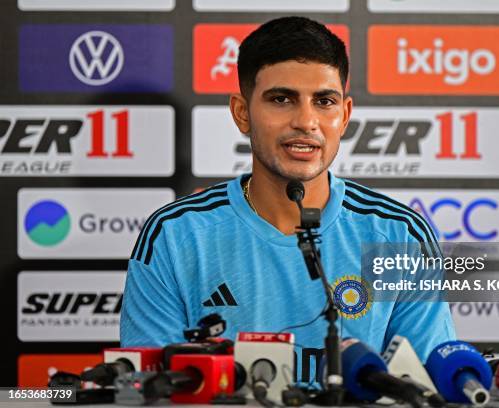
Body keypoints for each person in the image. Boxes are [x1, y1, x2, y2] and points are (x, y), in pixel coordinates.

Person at [121, 16, 455, 382]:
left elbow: (425, 388)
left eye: (324, 101)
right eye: (282, 99)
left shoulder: (398, 233)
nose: (306, 121)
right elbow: (150, 393)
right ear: (242, 113)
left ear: (343, 116)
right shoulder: (173, 235)